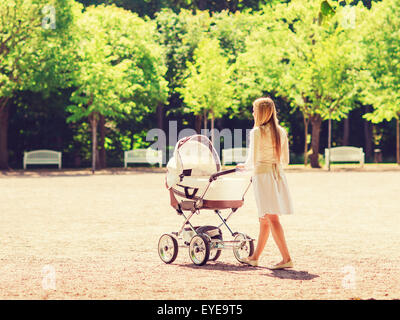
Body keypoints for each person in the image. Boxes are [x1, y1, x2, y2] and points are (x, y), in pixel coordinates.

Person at [236, 97, 294, 270]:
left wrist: (243, 167)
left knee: (271, 217)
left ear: (260, 113)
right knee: (264, 219)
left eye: (254, 110)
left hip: (263, 177)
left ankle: (286, 258)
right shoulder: (281, 131)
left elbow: (252, 160)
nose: (252, 113)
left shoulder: (257, 132)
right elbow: (285, 160)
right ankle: (254, 257)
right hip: (277, 176)